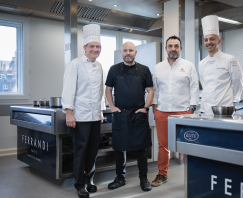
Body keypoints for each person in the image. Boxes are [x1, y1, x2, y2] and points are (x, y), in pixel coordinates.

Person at [62, 24, 105, 198]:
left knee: (93, 149)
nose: (95, 49)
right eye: (92, 47)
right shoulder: (75, 64)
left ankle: (90, 180)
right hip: (80, 116)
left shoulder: (100, 65)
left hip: (95, 115)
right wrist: (69, 112)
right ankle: (79, 184)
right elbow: (68, 89)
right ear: (85, 48)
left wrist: (101, 111)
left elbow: (100, 91)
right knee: (81, 150)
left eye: (98, 47)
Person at [105, 41, 154, 192]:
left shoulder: (144, 70)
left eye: (131, 50)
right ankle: (120, 178)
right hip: (121, 114)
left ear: (135, 52)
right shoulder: (114, 69)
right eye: (125, 50)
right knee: (119, 148)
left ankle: (144, 179)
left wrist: (146, 108)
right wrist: (112, 107)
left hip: (138, 114)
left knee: (141, 148)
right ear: (121, 52)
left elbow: (150, 90)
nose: (128, 53)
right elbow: (108, 89)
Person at [151, 35, 199, 187]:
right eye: (170, 46)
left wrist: (191, 108)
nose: (173, 49)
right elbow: (155, 89)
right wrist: (155, 108)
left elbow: (194, 87)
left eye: (176, 46)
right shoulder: (158, 67)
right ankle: (162, 174)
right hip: (162, 111)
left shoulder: (188, 65)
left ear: (180, 49)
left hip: (183, 112)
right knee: (162, 145)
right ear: (166, 49)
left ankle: (191, 175)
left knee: (187, 144)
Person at [198, 15, 243, 114]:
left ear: (219, 41)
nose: (209, 42)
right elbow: (204, 85)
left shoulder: (230, 59)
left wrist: (235, 100)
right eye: (206, 40)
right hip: (205, 110)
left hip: (224, 110)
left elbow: (238, 82)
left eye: (212, 39)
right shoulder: (201, 63)